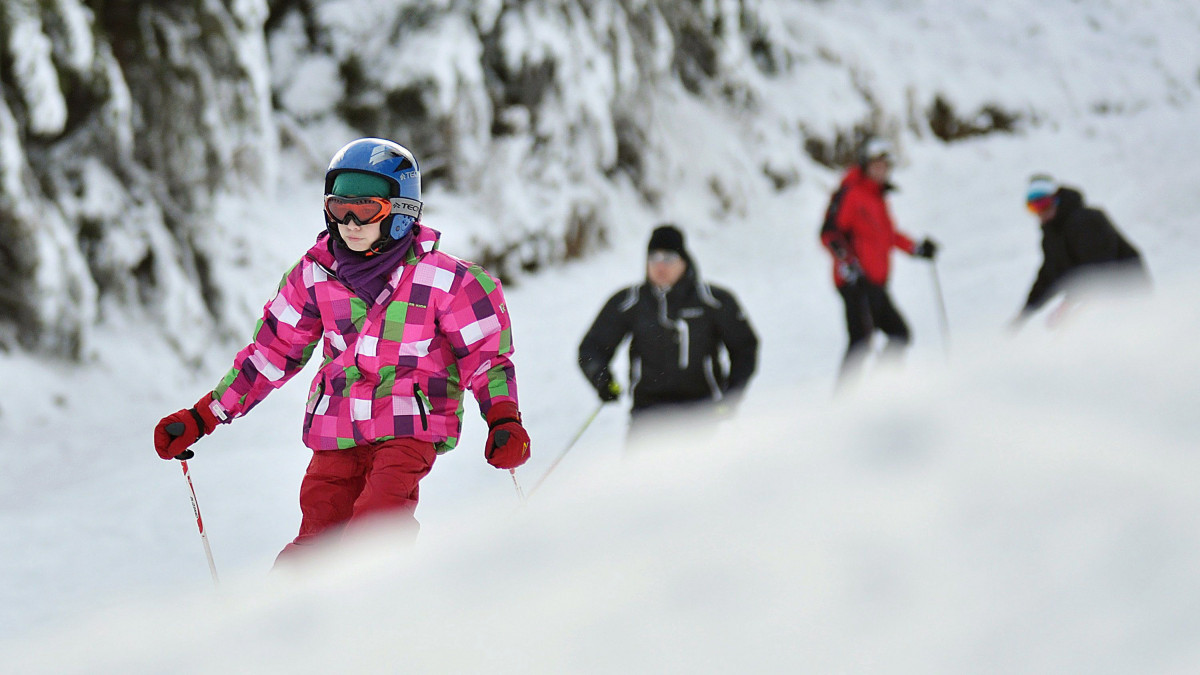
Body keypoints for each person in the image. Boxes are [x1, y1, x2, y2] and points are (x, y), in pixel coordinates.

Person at [152, 138, 530, 563]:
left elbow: (487, 357)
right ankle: (293, 616)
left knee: (374, 528)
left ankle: (379, 612)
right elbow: (271, 354)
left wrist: (502, 417)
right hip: (337, 428)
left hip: (408, 425)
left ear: (401, 211)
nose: (349, 222)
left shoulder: (448, 282)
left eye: (365, 209)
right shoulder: (314, 276)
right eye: (338, 208)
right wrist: (204, 416)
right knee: (316, 540)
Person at [578, 224, 758, 447]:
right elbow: (592, 348)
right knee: (641, 479)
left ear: (684, 260)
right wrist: (604, 381)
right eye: (654, 258)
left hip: (702, 413)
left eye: (669, 258)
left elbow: (745, 347)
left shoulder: (713, 301)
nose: (660, 265)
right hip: (648, 415)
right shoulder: (630, 302)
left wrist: (730, 398)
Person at [819, 138, 937, 383]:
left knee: (899, 335)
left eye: (885, 166)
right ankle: (845, 402)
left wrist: (916, 248)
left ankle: (879, 392)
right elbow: (829, 233)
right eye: (876, 165)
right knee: (862, 340)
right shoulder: (851, 193)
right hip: (855, 283)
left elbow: (887, 235)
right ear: (864, 166)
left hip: (876, 282)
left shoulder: (877, 197)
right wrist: (849, 264)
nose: (881, 171)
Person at [1013, 174, 1148, 328]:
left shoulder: (1086, 220)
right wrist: (1025, 313)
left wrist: (1069, 303)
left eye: (1043, 203)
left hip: (1126, 291)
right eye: (1033, 206)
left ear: (1056, 199)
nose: (1040, 211)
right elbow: (1049, 274)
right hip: (1097, 295)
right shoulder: (1053, 234)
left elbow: (1099, 267)